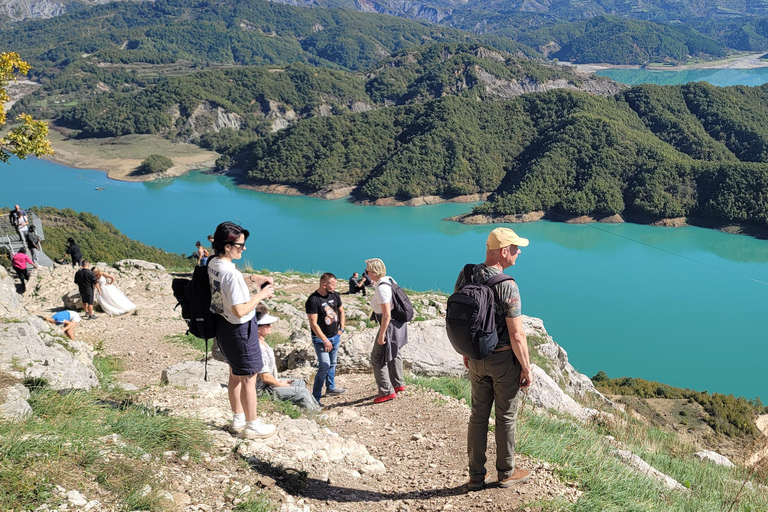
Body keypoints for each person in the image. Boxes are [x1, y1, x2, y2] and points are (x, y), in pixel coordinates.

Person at [454, 227, 534, 491]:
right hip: (502, 362)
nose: (519, 252)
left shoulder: (466, 274)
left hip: (476, 358)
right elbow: (516, 334)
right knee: (505, 417)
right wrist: (526, 367)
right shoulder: (506, 284)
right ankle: (506, 473)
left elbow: (461, 319)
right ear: (504, 251)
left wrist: (466, 352)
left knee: (478, 415)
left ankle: (475, 476)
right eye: (516, 248)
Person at [208, 221, 277, 440]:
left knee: (235, 373)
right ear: (227, 246)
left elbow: (228, 287)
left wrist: (253, 279)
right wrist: (261, 295)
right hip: (240, 329)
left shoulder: (214, 263)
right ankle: (252, 425)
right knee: (249, 376)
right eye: (240, 245)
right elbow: (239, 311)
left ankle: (238, 419)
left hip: (223, 326)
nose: (243, 248)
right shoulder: (231, 273)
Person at [256, 310, 321, 411]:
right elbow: (265, 376)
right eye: (268, 324)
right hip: (263, 389)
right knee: (301, 392)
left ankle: (303, 409)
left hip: (268, 384)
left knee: (299, 382)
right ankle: (315, 413)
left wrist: (278, 381)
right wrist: (279, 384)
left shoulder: (262, 343)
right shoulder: (260, 348)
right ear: (258, 329)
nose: (271, 326)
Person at [365, 258, 408, 404]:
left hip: (389, 325)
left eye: (367, 271)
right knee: (395, 353)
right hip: (397, 324)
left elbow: (386, 314)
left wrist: (382, 334)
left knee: (377, 358)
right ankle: (398, 383)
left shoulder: (382, 288)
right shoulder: (388, 280)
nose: (366, 274)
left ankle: (386, 391)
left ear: (374, 272)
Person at [305, 273, 346, 406]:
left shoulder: (335, 295)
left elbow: (341, 311)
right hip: (320, 340)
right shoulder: (313, 300)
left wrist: (342, 328)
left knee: (332, 363)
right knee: (325, 365)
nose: (335, 287)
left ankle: (330, 388)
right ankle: (315, 398)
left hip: (335, 336)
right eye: (332, 285)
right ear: (324, 285)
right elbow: (313, 324)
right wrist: (325, 340)